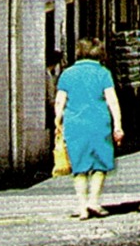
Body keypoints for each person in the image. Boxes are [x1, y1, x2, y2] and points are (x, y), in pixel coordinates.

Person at [53, 38, 125, 220]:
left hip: (75, 124)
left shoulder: (67, 74)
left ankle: (82, 206)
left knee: (79, 166)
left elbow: (60, 101)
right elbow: (112, 100)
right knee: (100, 164)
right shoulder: (103, 73)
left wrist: (58, 121)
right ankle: (94, 201)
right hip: (99, 123)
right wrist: (118, 125)